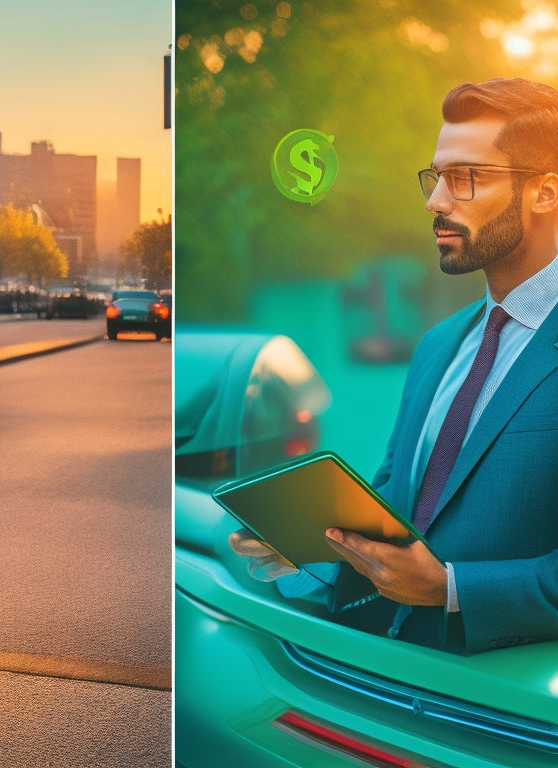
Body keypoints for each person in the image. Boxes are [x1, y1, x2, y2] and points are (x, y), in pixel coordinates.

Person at [231, 77, 558, 655]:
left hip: (509, 722)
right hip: (376, 681)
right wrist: (311, 548)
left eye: (465, 179)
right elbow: (395, 508)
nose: (435, 202)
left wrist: (452, 589)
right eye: (436, 178)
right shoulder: (438, 345)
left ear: (545, 192)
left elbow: (437, 579)